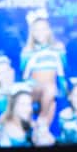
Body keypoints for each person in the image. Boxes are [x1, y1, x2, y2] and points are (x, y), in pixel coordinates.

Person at [20, 9, 67, 142]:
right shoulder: (27, 50)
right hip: (33, 88)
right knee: (50, 89)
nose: (40, 33)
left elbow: (62, 71)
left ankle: (41, 131)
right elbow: (23, 74)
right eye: (36, 30)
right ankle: (40, 122)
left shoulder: (58, 47)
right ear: (32, 33)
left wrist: (65, 89)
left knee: (52, 101)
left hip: (50, 90)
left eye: (43, 29)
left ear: (49, 30)